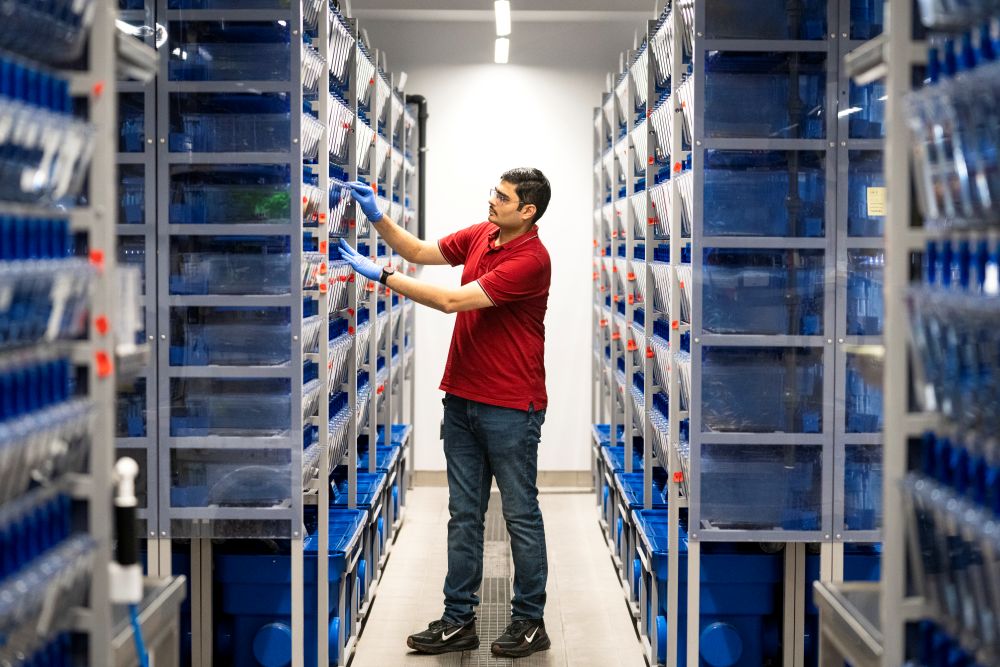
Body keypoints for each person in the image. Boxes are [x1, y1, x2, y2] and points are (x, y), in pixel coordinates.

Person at [337, 168, 552, 658]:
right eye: (494, 192)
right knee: (463, 515)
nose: (492, 200)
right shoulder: (483, 234)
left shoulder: (532, 260)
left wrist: (385, 277)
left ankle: (530, 620)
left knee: (520, 515)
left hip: (511, 406)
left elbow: (452, 300)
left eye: (503, 197)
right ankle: (459, 620)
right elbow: (418, 251)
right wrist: (377, 217)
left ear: (528, 211)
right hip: (462, 398)